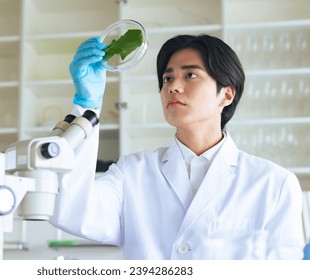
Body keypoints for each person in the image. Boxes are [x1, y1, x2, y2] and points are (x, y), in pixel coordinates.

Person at [49, 34, 305, 259]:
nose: (173, 86)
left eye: (190, 75)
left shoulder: (274, 184)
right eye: (167, 77)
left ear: (226, 94)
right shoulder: (133, 173)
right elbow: (72, 212)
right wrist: (87, 106)